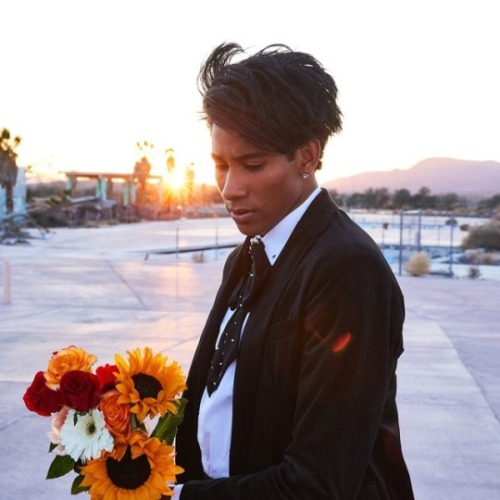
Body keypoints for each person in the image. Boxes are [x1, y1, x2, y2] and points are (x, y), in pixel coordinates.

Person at [173, 42, 414, 499]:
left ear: (306, 156)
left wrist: (179, 498)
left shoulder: (347, 269)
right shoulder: (246, 254)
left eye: (252, 165)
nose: (229, 188)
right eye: (220, 165)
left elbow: (319, 483)